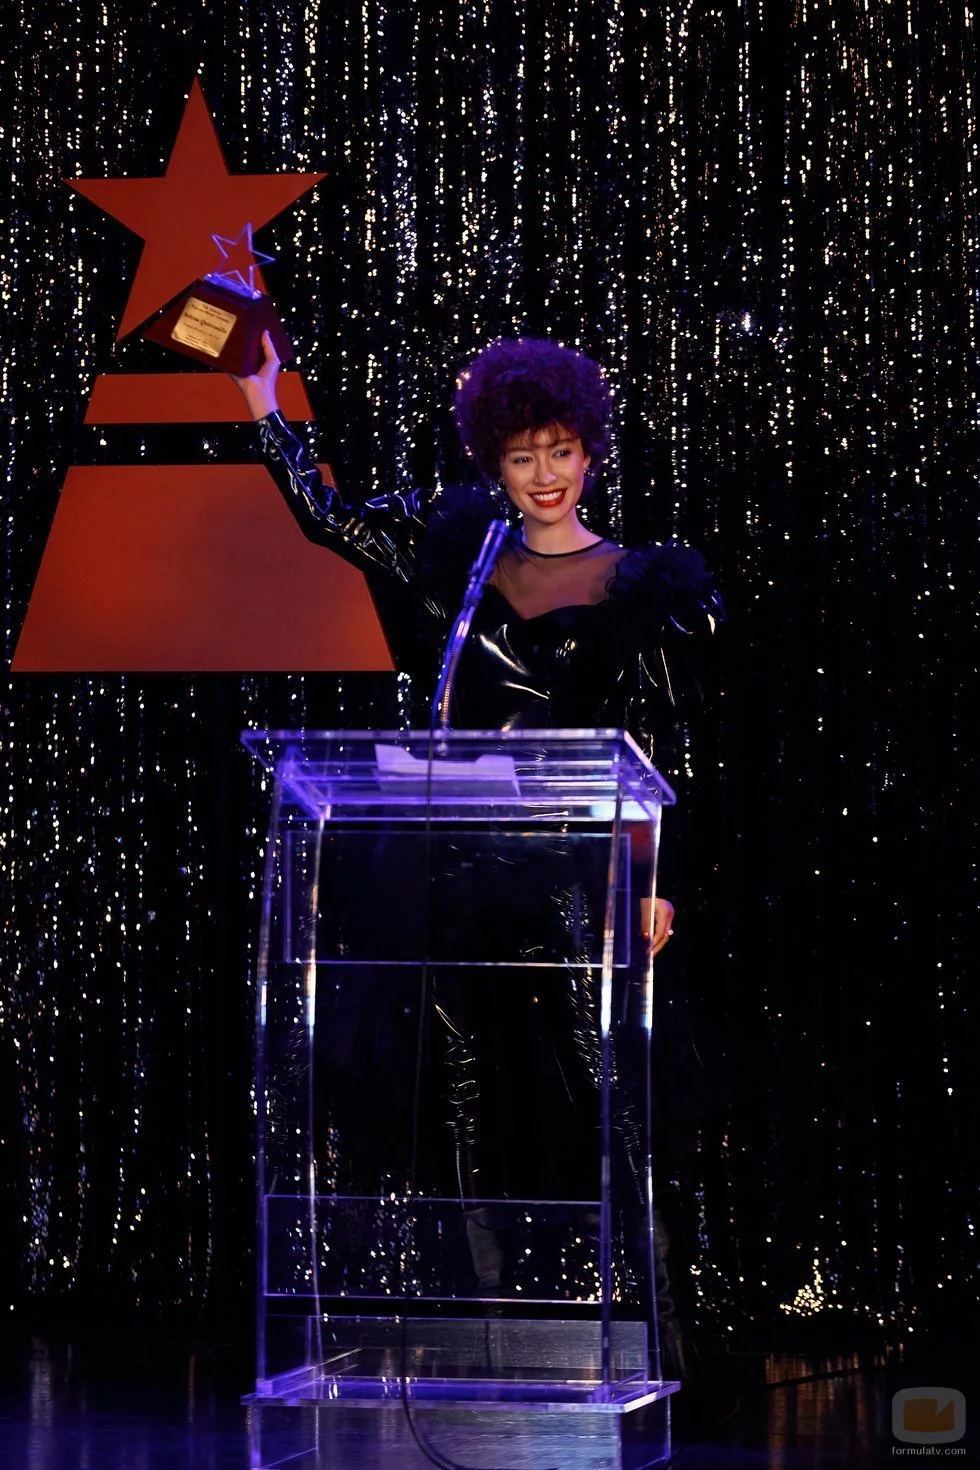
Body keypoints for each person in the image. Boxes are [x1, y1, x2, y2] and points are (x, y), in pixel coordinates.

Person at [232, 332, 721, 1375]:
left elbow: (666, 747)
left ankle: (658, 1341)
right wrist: (260, 391)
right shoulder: (459, 565)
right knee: (450, 1100)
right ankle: (486, 1337)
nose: (544, 476)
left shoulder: (639, 584)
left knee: (606, 1102)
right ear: (493, 462)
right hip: (446, 870)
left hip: (568, 877)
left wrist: (655, 884)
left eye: (560, 451)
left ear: (590, 452)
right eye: (521, 457)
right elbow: (326, 518)